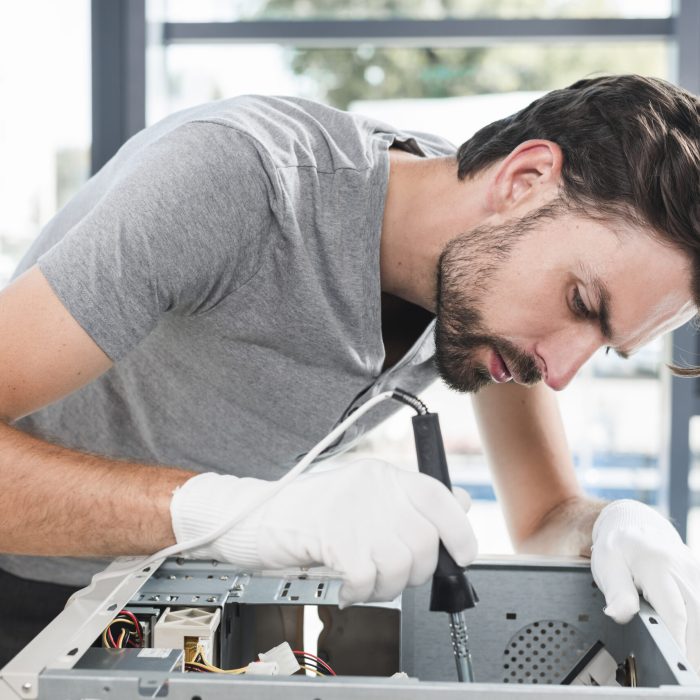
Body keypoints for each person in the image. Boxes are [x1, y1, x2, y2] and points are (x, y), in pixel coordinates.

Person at [0, 74, 698, 670]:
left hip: (163, 613)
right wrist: (236, 514)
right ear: (523, 180)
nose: (563, 370)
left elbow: (544, 515)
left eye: (607, 347)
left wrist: (610, 526)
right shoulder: (236, 180)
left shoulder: (488, 293)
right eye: (582, 303)